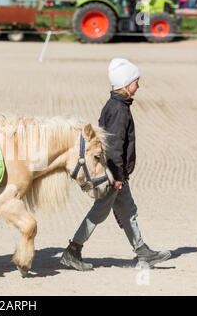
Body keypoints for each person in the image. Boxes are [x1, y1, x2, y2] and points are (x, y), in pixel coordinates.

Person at [60, 58, 171, 271]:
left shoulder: (116, 105)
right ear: (126, 83)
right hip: (113, 173)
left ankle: (142, 251)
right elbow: (115, 146)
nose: (138, 86)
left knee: (128, 212)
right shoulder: (119, 109)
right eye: (136, 81)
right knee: (98, 213)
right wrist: (118, 176)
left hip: (116, 172)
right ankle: (73, 250)